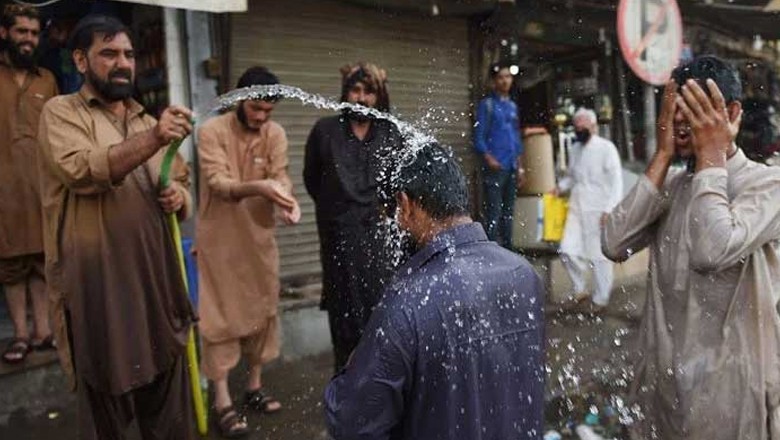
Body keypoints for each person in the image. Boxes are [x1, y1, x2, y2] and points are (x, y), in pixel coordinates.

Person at [602, 55, 780, 439]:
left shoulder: (766, 184)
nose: (681, 121)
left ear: (730, 112)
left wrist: (712, 154)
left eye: (693, 109)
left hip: (732, 400)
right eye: (674, 110)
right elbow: (613, 242)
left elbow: (712, 251)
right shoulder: (674, 187)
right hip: (668, 394)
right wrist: (663, 155)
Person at [37, 15, 196, 439]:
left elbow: (180, 183)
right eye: (108, 53)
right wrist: (155, 139)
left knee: (167, 409)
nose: (122, 63)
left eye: (128, 54)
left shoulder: (147, 121)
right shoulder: (61, 112)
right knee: (105, 404)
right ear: (81, 60)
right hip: (98, 287)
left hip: (155, 284)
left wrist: (180, 199)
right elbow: (81, 170)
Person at [324, 144, 545, 439]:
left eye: (393, 214)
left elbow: (352, 423)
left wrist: (353, 369)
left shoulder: (408, 301)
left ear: (405, 205)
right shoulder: (524, 275)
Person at [197, 66, 300, 438]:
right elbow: (218, 183)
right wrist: (262, 187)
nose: (261, 117)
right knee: (219, 319)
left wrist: (287, 200)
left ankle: (254, 386)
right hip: (220, 241)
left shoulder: (275, 133)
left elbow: (282, 174)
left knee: (263, 310)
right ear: (240, 100)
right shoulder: (211, 131)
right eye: (256, 109)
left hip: (259, 240)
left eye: (268, 112)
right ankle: (222, 400)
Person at [304, 61, 403, 372]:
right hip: (339, 240)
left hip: (377, 240)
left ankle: (380, 386)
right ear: (345, 93)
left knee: (381, 314)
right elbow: (312, 181)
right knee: (344, 317)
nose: (361, 98)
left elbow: (397, 185)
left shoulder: (390, 133)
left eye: (369, 92)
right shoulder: (325, 131)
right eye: (355, 90)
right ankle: (346, 388)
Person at [0, 4, 58, 364]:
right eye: (22, 31)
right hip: (3, 190)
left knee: (41, 260)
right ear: (4, 33)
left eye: (34, 34)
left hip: (41, 187)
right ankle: (20, 334)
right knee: (10, 265)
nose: (28, 40)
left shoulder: (47, 80)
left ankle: (43, 331)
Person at [556, 107, 622, 312]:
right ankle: (580, 289)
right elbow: (572, 177)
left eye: (583, 125)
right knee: (566, 250)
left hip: (599, 209)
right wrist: (560, 187)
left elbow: (616, 181)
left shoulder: (606, 148)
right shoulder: (575, 149)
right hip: (577, 207)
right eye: (576, 126)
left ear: (593, 126)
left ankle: (600, 299)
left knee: (599, 256)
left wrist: (609, 208)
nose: (578, 129)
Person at [474, 62, 526, 249]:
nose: (505, 81)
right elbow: (478, 138)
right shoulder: (487, 106)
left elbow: (516, 138)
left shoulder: (512, 106)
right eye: (501, 77)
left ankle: (508, 250)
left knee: (509, 212)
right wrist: (489, 159)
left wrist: (520, 167)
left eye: (508, 77)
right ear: (494, 81)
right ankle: (491, 253)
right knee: (493, 212)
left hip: (511, 165)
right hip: (496, 167)